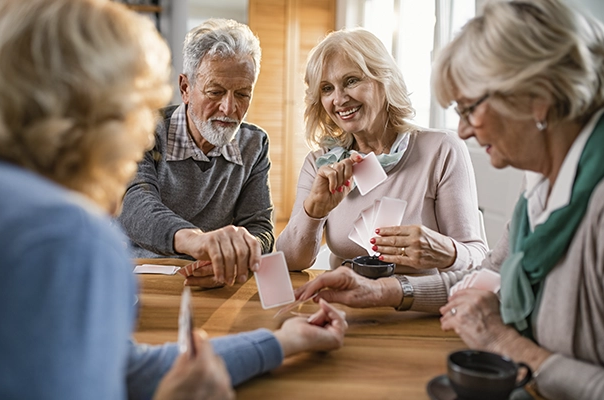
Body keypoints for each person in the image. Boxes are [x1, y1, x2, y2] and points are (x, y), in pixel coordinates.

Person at [0, 1, 347, 399]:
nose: (140, 133)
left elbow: (122, 367)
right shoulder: (68, 238)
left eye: (242, 93)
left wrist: (281, 342)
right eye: (132, 108)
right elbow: (135, 203)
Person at [295, 0, 604, 398]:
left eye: (470, 108)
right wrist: (385, 292)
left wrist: (505, 343)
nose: (464, 130)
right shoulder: (539, 194)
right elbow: (485, 280)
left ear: (537, 97)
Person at [276, 28, 488, 273]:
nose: (339, 99)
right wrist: (313, 211)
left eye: (351, 81)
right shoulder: (320, 164)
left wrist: (445, 250)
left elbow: (477, 258)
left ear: (384, 79)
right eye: (326, 89)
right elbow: (288, 263)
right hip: (344, 304)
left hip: (419, 305)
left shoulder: (441, 150)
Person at [117, 18, 274, 288]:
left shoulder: (254, 144)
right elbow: (135, 205)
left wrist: (235, 257)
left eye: (242, 94)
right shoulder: (145, 129)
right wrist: (199, 241)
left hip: (211, 282)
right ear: (186, 88)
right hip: (138, 277)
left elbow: (260, 228)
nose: (229, 108)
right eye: (215, 92)